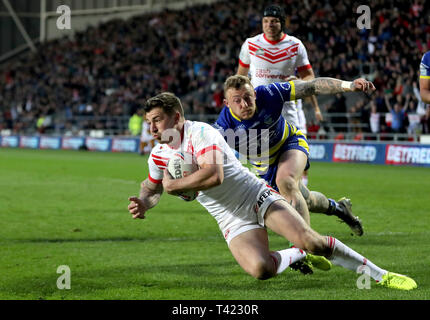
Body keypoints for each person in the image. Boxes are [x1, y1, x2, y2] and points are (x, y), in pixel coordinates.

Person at [127, 91, 416, 290]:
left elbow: (213, 176)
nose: (151, 128)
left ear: (176, 116)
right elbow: (152, 188)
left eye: (157, 120)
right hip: (230, 218)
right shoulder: (159, 156)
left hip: (254, 196)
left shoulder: (201, 133)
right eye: (149, 121)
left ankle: (383, 276)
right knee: (261, 270)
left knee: (313, 241)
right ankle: (297, 254)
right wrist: (144, 202)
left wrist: (174, 185)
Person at [214, 75, 364, 241]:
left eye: (248, 97)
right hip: (265, 166)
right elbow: (205, 156)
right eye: (237, 100)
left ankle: (304, 247)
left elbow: (311, 86)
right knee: (307, 201)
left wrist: (348, 84)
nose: (244, 104)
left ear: (254, 94)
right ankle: (339, 209)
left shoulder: (270, 93)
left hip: (289, 143)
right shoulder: (223, 128)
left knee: (286, 182)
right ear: (227, 104)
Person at [236, 5, 323, 187]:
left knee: (297, 154)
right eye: (266, 21)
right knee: (264, 160)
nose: (269, 25)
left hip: (288, 109)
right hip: (260, 111)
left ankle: (300, 191)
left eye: (274, 21)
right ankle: (270, 195)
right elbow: (240, 77)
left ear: (282, 23)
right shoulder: (251, 44)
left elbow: (310, 77)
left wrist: (300, 79)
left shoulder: (295, 45)